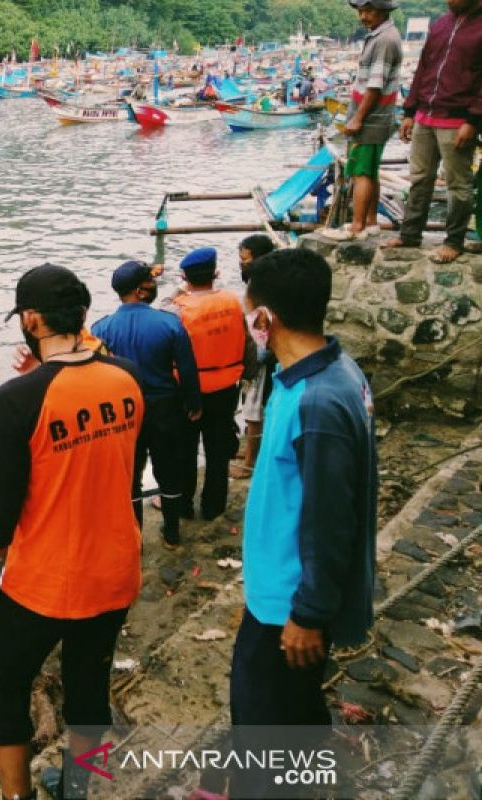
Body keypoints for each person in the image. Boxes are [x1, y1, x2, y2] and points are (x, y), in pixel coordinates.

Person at [0, 263, 144, 800]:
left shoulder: (19, 398)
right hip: (114, 572)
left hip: (44, 582)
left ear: (32, 320)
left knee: (5, 690)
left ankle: (16, 796)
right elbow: (126, 472)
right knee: (90, 685)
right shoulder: (127, 378)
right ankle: (82, 786)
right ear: (84, 316)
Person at [231, 247, 377, 798]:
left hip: (285, 608)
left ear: (265, 320)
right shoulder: (326, 372)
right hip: (279, 591)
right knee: (294, 713)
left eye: (252, 315)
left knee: (262, 728)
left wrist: (309, 614)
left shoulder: (318, 402)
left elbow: (330, 519)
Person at [91, 261, 201, 546]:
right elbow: (187, 370)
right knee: (169, 472)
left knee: (130, 478)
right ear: (139, 291)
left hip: (125, 413)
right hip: (165, 408)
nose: (155, 286)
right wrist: (193, 403)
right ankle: (172, 532)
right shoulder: (169, 323)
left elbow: (96, 376)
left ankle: (135, 538)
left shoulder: (101, 329)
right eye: (150, 284)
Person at [383, 0, 482, 264]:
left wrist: (473, 120)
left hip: (458, 118)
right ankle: (410, 234)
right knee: (420, 178)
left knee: (458, 185)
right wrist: (409, 112)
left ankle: (454, 241)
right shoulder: (441, 23)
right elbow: (423, 71)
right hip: (425, 116)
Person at [167, 247, 255, 520]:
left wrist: (174, 293)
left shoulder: (177, 309)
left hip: (188, 391)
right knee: (218, 453)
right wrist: (248, 377)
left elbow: (166, 343)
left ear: (184, 277)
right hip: (226, 387)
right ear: (215, 273)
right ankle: (213, 506)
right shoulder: (232, 302)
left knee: (184, 451)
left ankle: (183, 506)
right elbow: (249, 345)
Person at [322, 0, 402, 241]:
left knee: (360, 172)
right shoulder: (380, 35)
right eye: (361, 11)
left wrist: (357, 118)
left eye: (369, 11)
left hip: (371, 118)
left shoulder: (385, 40)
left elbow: (375, 85)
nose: (363, 16)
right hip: (375, 116)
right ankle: (370, 222)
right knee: (370, 171)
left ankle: (357, 227)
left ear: (383, 11)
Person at [231, 235, 277, 480]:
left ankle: (250, 462)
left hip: (260, 357)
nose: (241, 263)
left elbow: (264, 333)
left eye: (244, 259)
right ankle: (248, 449)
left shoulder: (265, 290)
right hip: (254, 353)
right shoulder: (257, 282)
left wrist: (251, 358)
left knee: (253, 410)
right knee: (251, 407)